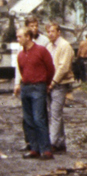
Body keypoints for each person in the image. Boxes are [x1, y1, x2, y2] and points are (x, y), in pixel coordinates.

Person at [15, 26, 55, 159]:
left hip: (38, 87)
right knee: (28, 119)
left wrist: (46, 83)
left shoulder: (41, 51)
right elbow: (22, 70)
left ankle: (46, 149)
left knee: (39, 118)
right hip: (26, 87)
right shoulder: (21, 54)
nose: (18, 39)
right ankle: (34, 148)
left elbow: (50, 68)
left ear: (27, 37)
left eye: (20, 36)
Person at [45, 22, 74, 153]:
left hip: (60, 83)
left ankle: (53, 142)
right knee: (53, 113)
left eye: (52, 31)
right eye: (48, 31)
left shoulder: (64, 46)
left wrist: (53, 82)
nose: (50, 34)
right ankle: (60, 142)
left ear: (58, 32)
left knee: (55, 113)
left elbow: (63, 67)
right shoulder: (49, 46)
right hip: (49, 83)